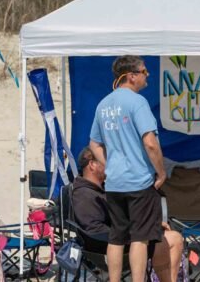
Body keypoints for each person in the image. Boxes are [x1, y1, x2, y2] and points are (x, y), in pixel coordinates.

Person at [89, 55, 166, 282]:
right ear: (131, 76)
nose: (147, 74)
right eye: (144, 71)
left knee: (117, 237)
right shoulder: (137, 102)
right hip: (139, 181)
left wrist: (109, 164)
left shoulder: (104, 104)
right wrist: (161, 172)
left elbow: (93, 142)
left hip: (114, 182)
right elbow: (150, 142)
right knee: (139, 238)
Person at [73, 147, 183, 282]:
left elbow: (121, 218)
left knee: (171, 237)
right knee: (172, 240)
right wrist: (135, 232)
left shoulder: (98, 190)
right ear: (92, 165)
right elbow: (94, 230)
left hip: (118, 241)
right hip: (104, 248)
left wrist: (149, 225)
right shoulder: (84, 194)